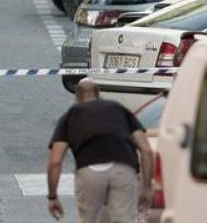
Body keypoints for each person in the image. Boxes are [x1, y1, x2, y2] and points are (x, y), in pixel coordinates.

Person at [47, 79, 153, 223]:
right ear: (98, 94)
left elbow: (55, 161)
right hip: (123, 168)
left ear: (77, 97)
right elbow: (146, 150)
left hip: (89, 170)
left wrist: (53, 197)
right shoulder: (118, 109)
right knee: (124, 219)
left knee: (88, 219)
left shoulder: (71, 115)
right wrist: (146, 188)